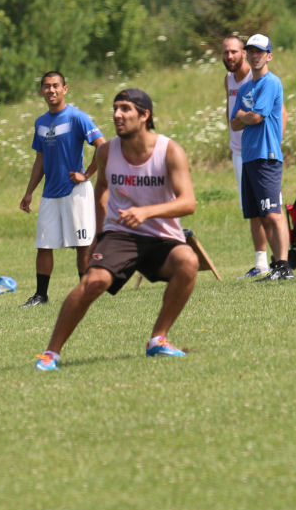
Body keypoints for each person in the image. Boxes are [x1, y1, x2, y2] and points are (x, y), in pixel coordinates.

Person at [35, 89, 197, 371]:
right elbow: (101, 190)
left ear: (144, 115)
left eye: (125, 109)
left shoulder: (170, 151)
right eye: (115, 109)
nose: (117, 115)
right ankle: (51, 353)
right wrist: (99, 235)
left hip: (161, 235)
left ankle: (158, 339)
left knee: (188, 261)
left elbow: (188, 203)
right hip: (121, 235)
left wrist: (146, 212)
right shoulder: (107, 151)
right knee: (93, 281)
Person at [19, 71, 106, 307]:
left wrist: (86, 174)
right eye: (47, 86)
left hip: (75, 192)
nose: (51, 90)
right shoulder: (41, 122)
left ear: (65, 89)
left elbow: (103, 146)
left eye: (56, 85)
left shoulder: (77, 117)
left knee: (82, 245)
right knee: (44, 245)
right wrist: (29, 192)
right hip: (50, 194)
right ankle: (41, 295)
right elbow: (40, 160)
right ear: (42, 91)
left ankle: (86, 292)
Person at [229, 34, 293, 281]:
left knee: (273, 213)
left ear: (269, 56)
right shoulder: (245, 88)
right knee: (260, 215)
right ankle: (275, 266)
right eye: (251, 51)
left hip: (267, 155)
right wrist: (246, 116)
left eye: (260, 51)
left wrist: (244, 115)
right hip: (249, 156)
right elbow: (234, 123)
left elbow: (256, 117)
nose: (255, 56)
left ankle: (284, 266)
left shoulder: (271, 82)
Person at [221, 36, 273, 277]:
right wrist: (240, 119)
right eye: (225, 52)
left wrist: (273, 143)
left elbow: (277, 113)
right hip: (239, 151)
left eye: (234, 51)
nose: (229, 56)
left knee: (270, 207)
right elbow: (231, 115)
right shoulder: (229, 79)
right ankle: (261, 263)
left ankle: (282, 259)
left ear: (244, 53)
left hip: (262, 151)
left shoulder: (258, 77)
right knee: (252, 209)